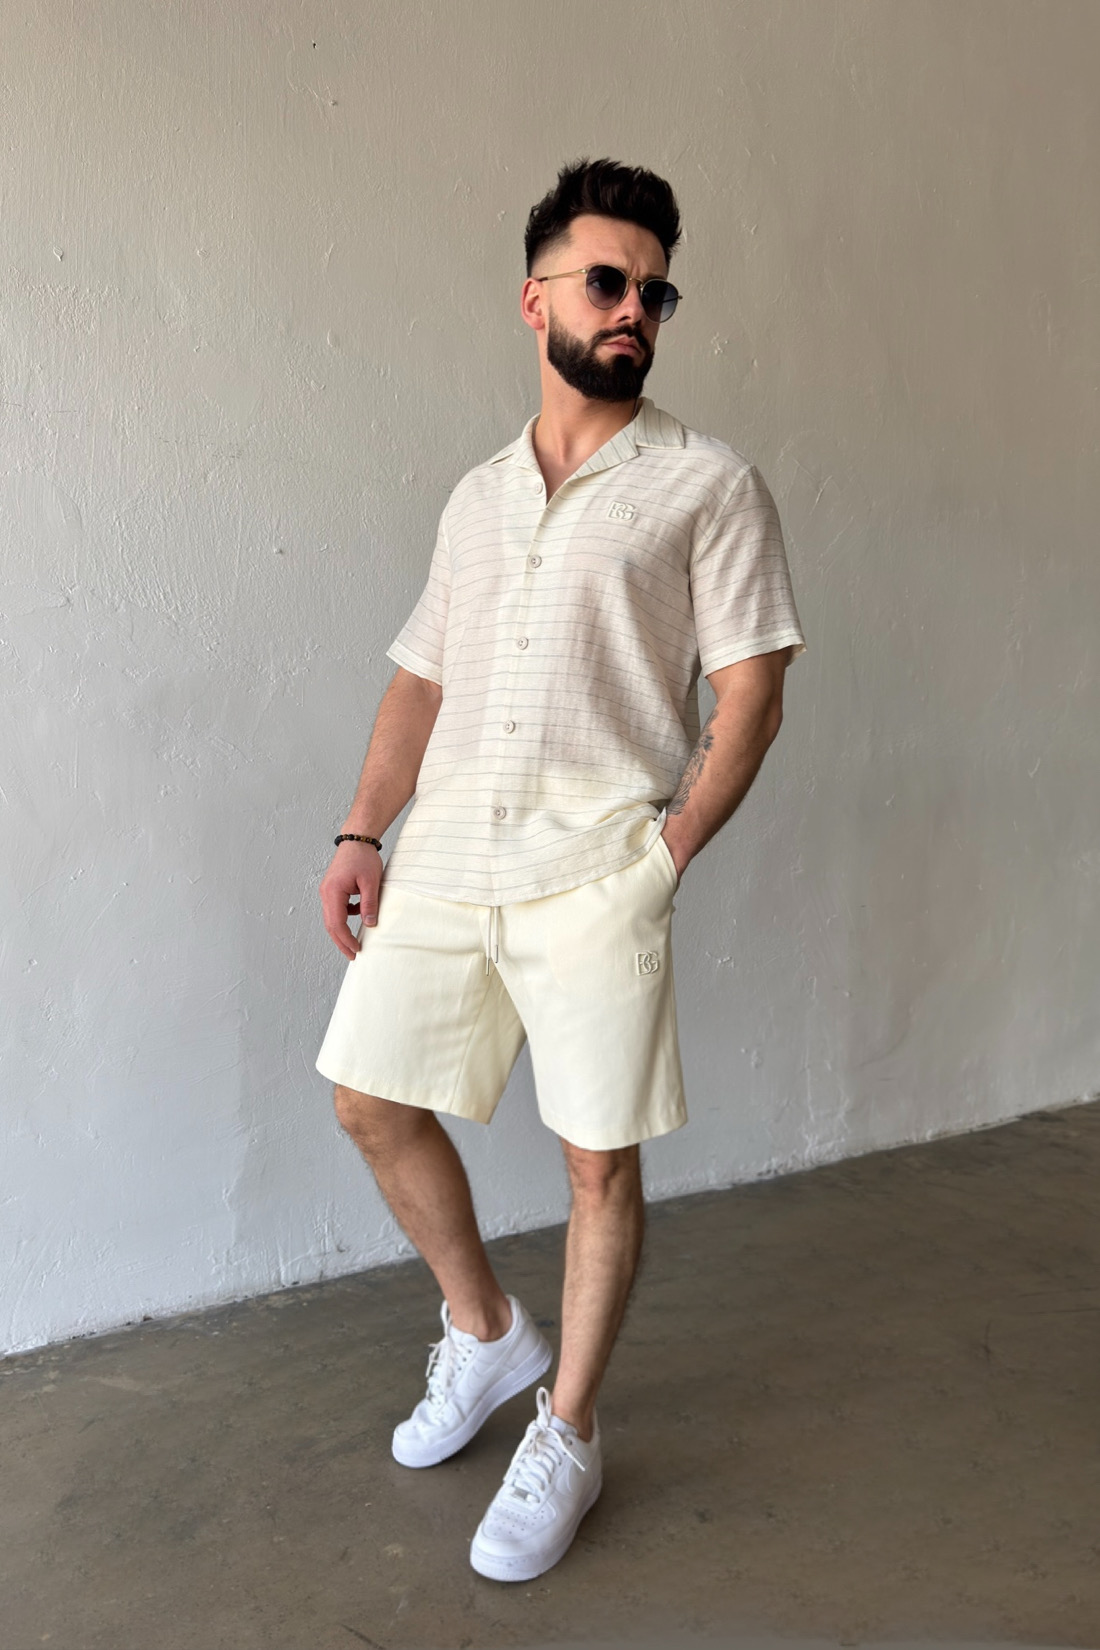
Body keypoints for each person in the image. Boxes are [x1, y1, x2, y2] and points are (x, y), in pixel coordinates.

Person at [315, 156, 806, 1583]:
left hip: (599, 867)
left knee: (598, 1160)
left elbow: (753, 689)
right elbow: (421, 679)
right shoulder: (476, 498)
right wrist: (362, 830)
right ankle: (484, 1332)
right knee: (367, 1099)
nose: (634, 306)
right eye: (606, 280)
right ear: (536, 300)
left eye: (655, 289)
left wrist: (663, 856)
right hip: (447, 856)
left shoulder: (707, 484)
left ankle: (569, 1427)